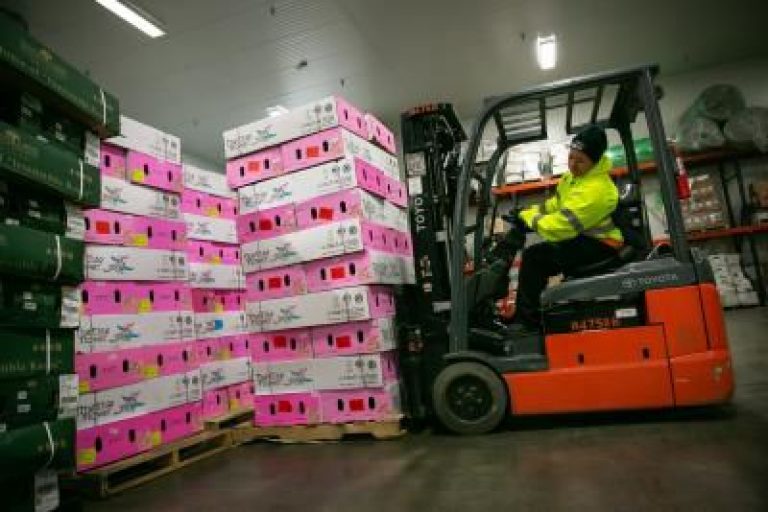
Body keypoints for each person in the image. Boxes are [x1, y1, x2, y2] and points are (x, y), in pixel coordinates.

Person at [512, 125, 623, 329]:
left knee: (535, 257)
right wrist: (527, 211)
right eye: (571, 157)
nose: (572, 164)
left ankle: (526, 324)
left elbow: (562, 226)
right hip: (586, 238)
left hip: (601, 245)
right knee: (537, 254)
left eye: (580, 160)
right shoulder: (575, 178)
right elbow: (555, 205)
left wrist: (529, 219)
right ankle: (529, 316)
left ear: (595, 160)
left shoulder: (597, 190)